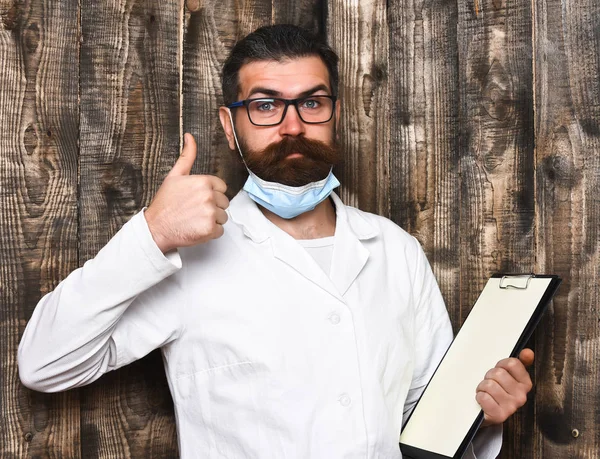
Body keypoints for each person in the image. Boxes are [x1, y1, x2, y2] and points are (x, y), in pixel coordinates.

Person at [18, 25, 534, 458]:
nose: (292, 126)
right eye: (265, 105)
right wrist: (152, 234)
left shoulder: (395, 250)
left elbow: (424, 422)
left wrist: (484, 415)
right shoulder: (182, 258)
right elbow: (45, 365)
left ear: (334, 112)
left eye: (311, 102)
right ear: (230, 124)